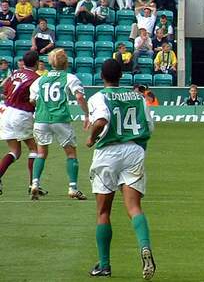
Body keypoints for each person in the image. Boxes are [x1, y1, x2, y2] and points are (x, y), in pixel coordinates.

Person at [86, 59, 156, 278]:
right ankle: (145, 246)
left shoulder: (98, 97)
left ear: (101, 76)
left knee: (103, 211)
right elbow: (150, 127)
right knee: (134, 207)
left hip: (108, 153)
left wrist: (90, 139)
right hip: (134, 151)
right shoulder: (137, 96)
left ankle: (104, 264)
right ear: (122, 76)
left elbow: (100, 120)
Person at [29, 49, 89, 200]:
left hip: (41, 119)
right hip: (60, 119)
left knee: (41, 153)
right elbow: (80, 97)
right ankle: (73, 188)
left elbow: (32, 100)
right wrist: (87, 114)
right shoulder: (69, 77)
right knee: (70, 154)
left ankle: (35, 184)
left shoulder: (39, 80)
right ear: (66, 63)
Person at [0, 51, 43, 195]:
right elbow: (34, 99)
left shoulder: (15, 74)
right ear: (37, 63)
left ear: (23, 62)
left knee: (15, 151)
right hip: (21, 113)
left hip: (5, 111)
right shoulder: (36, 78)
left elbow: (6, 92)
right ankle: (33, 184)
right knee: (34, 149)